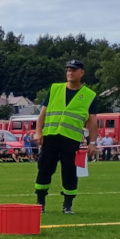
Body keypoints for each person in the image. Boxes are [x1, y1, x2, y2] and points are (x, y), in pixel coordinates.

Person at [33, 59, 97, 214]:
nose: (70, 72)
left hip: (71, 139)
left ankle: (67, 204)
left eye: (74, 70)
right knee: (44, 169)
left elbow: (93, 121)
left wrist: (92, 142)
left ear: (81, 73)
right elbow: (43, 113)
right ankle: (40, 202)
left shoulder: (89, 95)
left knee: (70, 172)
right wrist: (38, 131)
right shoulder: (55, 89)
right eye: (68, 70)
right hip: (51, 137)